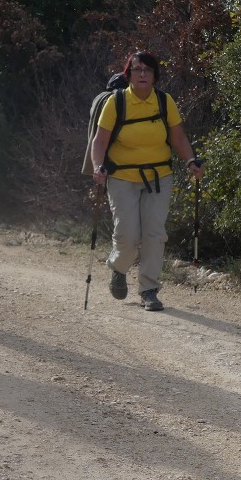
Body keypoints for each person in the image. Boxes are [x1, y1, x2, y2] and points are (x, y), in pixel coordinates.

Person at [89, 51, 204, 311]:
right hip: (122, 178)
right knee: (128, 235)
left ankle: (149, 289)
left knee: (155, 234)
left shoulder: (164, 102)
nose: (142, 74)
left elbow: (178, 138)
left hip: (159, 176)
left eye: (148, 70)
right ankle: (118, 267)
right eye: (138, 69)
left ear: (154, 76)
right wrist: (98, 166)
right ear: (128, 74)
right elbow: (100, 141)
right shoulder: (116, 103)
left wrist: (190, 161)